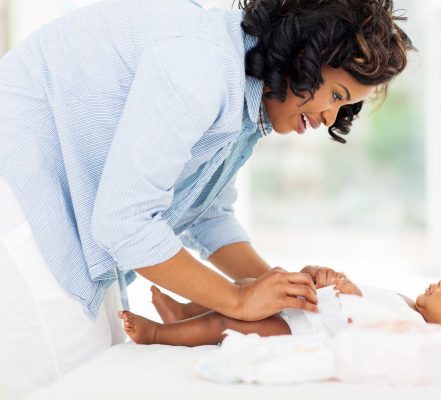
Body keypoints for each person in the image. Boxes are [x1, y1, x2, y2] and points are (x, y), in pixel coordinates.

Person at [0, 0, 413, 396]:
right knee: (74, 376)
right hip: (24, 193)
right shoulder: (203, 68)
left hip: (68, 210)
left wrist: (285, 294)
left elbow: (209, 216)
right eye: (336, 96)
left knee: (99, 364)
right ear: (304, 56)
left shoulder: (244, 98)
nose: (330, 119)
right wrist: (237, 299)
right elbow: (124, 223)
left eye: (346, 107)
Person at [119, 266, 441, 350]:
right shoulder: (409, 305)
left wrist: (350, 297)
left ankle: (160, 333)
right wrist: (327, 278)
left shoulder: (414, 331)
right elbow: (353, 296)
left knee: (226, 322)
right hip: (309, 307)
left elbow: (367, 329)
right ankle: (184, 310)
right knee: (245, 286)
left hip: (306, 330)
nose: (440, 283)